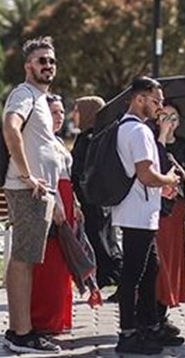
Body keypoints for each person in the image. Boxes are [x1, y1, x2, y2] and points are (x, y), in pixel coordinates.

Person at [0, 36, 65, 353]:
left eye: (51, 61)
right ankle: (21, 334)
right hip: (27, 190)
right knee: (23, 260)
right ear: (28, 66)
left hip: (40, 192)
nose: (48, 66)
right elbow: (10, 127)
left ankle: (21, 328)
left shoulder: (41, 97)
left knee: (25, 259)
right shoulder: (24, 94)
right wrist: (27, 176)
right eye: (41, 61)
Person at [111, 76, 182, 355]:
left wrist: (161, 184)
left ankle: (149, 325)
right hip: (136, 213)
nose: (160, 106)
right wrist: (167, 180)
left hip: (140, 210)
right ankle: (128, 333)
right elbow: (145, 174)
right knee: (132, 274)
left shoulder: (133, 128)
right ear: (139, 99)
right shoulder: (138, 132)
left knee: (149, 268)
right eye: (156, 101)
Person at [154, 101, 185, 338]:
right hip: (154, 210)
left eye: (173, 117)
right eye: (164, 116)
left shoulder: (184, 146)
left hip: (175, 211)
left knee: (171, 260)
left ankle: (162, 312)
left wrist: (182, 174)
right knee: (156, 260)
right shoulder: (151, 141)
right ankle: (151, 313)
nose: (169, 122)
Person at [29, 93, 78, 335]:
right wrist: (57, 204)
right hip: (54, 203)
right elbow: (48, 177)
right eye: (53, 112)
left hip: (67, 202)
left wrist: (75, 204)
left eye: (61, 112)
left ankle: (59, 317)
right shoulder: (41, 141)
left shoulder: (56, 140)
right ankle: (43, 319)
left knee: (63, 264)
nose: (59, 117)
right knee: (49, 263)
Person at [68, 95, 122, 289]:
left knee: (101, 242)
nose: (73, 115)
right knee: (104, 240)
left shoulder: (89, 139)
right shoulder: (96, 136)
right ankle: (110, 279)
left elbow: (83, 171)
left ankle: (123, 280)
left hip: (91, 200)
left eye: (77, 110)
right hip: (97, 200)